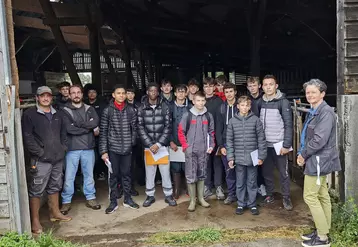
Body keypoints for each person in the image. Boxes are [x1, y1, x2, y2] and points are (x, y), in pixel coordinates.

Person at [22, 86, 72, 234]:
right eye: (42, 96)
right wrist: (39, 152)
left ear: (51, 98)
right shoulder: (30, 114)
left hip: (57, 158)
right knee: (37, 189)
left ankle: (55, 212)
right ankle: (35, 221)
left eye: (48, 96)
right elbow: (28, 137)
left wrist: (63, 148)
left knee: (55, 186)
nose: (45, 98)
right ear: (37, 98)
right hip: (41, 160)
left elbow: (64, 134)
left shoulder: (58, 114)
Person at [297, 79, 341, 247]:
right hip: (318, 159)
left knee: (310, 196)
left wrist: (303, 155)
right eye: (308, 92)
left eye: (313, 92)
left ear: (322, 93)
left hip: (318, 159)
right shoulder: (315, 110)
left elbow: (319, 140)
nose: (310, 95)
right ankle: (323, 231)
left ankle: (322, 238)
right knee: (322, 195)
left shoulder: (326, 112)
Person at [60, 85, 101, 215]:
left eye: (78, 92)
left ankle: (91, 198)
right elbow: (69, 129)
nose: (76, 95)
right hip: (71, 149)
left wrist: (78, 125)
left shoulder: (90, 109)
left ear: (82, 94)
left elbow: (95, 123)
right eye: (73, 93)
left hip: (88, 148)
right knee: (69, 176)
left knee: (89, 175)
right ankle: (66, 201)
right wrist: (87, 128)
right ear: (70, 95)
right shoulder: (65, 110)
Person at [99, 85, 139, 214]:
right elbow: (103, 132)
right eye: (119, 93)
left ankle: (127, 199)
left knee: (127, 175)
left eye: (123, 93)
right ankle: (113, 202)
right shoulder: (107, 111)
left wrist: (131, 142)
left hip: (127, 149)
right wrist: (104, 151)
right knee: (113, 176)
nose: (121, 95)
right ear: (113, 95)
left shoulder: (131, 110)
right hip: (113, 149)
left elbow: (135, 129)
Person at [137, 83, 177, 207]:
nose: (153, 93)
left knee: (165, 171)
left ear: (158, 92)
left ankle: (168, 194)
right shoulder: (141, 108)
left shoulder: (164, 107)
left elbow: (168, 126)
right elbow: (140, 127)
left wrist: (159, 144)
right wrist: (150, 144)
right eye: (151, 91)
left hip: (162, 146)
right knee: (150, 172)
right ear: (147, 92)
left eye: (155, 91)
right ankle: (150, 195)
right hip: (149, 147)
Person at [226, 96, 267, 216]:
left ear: (250, 107)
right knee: (240, 182)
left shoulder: (255, 120)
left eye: (247, 105)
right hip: (238, 158)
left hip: (252, 158)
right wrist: (230, 157)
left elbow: (261, 139)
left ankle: (252, 204)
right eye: (242, 105)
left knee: (252, 182)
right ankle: (241, 203)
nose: (244, 108)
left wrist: (261, 156)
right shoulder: (232, 121)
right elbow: (229, 141)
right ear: (237, 106)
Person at [258, 75, 293, 210]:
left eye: (271, 84)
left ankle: (286, 197)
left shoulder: (282, 102)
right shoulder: (260, 102)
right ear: (262, 86)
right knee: (267, 172)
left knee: (283, 172)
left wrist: (286, 145)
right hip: (265, 144)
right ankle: (270, 194)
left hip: (279, 144)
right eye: (265, 84)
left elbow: (288, 125)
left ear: (276, 86)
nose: (268, 87)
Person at [178, 91, 215, 212]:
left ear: (205, 101)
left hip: (203, 151)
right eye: (198, 100)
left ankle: (201, 198)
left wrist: (211, 145)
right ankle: (192, 200)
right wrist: (185, 146)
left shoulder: (208, 116)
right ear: (193, 101)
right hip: (191, 151)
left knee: (202, 173)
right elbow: (181, 132)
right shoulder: (187, 115)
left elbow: (211, 132)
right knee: (190, 175)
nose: (200, 103)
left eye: (203, 100)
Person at [216, 83, 238, 205]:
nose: (229, 94)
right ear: (224, 94)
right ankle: (231, 194)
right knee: (229, 170)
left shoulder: (240, 106)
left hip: (239, 142)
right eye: (227, 92)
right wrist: (221, 145)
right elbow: (218, 128)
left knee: (240, 169)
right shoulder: (221, 107)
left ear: (235, 92)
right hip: (225, 143)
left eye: (231, 91)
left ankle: (241, 194)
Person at [202, 77, 224, 200]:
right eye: (206, 86)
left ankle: (219, 186)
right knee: (206, 163)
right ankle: (207, 186)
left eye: (210, 86)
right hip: (203, 138)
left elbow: (220, 122)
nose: (208, 88)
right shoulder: (200, 100)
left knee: (217, 163)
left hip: (215, 137)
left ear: (214, 87)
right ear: (203, 88)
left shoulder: (219, 102)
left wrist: (219, 140)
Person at [169, 84, 192, 199]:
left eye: (183, 91)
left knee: (187, 165)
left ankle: (189, 189)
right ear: (175, 93)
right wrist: (170, 141)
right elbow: (166, 125)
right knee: (175, 166)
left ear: (186, 93)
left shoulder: (191, 107)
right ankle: (177, 189)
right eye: (179, 91)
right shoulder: (169, 107)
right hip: (174, 141)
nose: (181, 94)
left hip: (187, 141)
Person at [246, 77, 266, 197]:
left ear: (259, 86)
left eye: (254, 85)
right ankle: (253, 187)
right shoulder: (246, 101)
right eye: (250, 86)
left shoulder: (264, 99)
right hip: (250, 135)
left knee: (262, 163)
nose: (252, 88)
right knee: (252, 163)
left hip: (263, 134)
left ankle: (262, 185)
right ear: (247, 88)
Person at [84, 85, 107, 181]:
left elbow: (104, 118)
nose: (92, 94)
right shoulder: (84, 104)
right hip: (87, 134)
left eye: (94, 92)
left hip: (100, 134)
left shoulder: (102, 104)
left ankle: (101, 172)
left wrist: (99, 129)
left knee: (101, 153)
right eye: (90, 92)